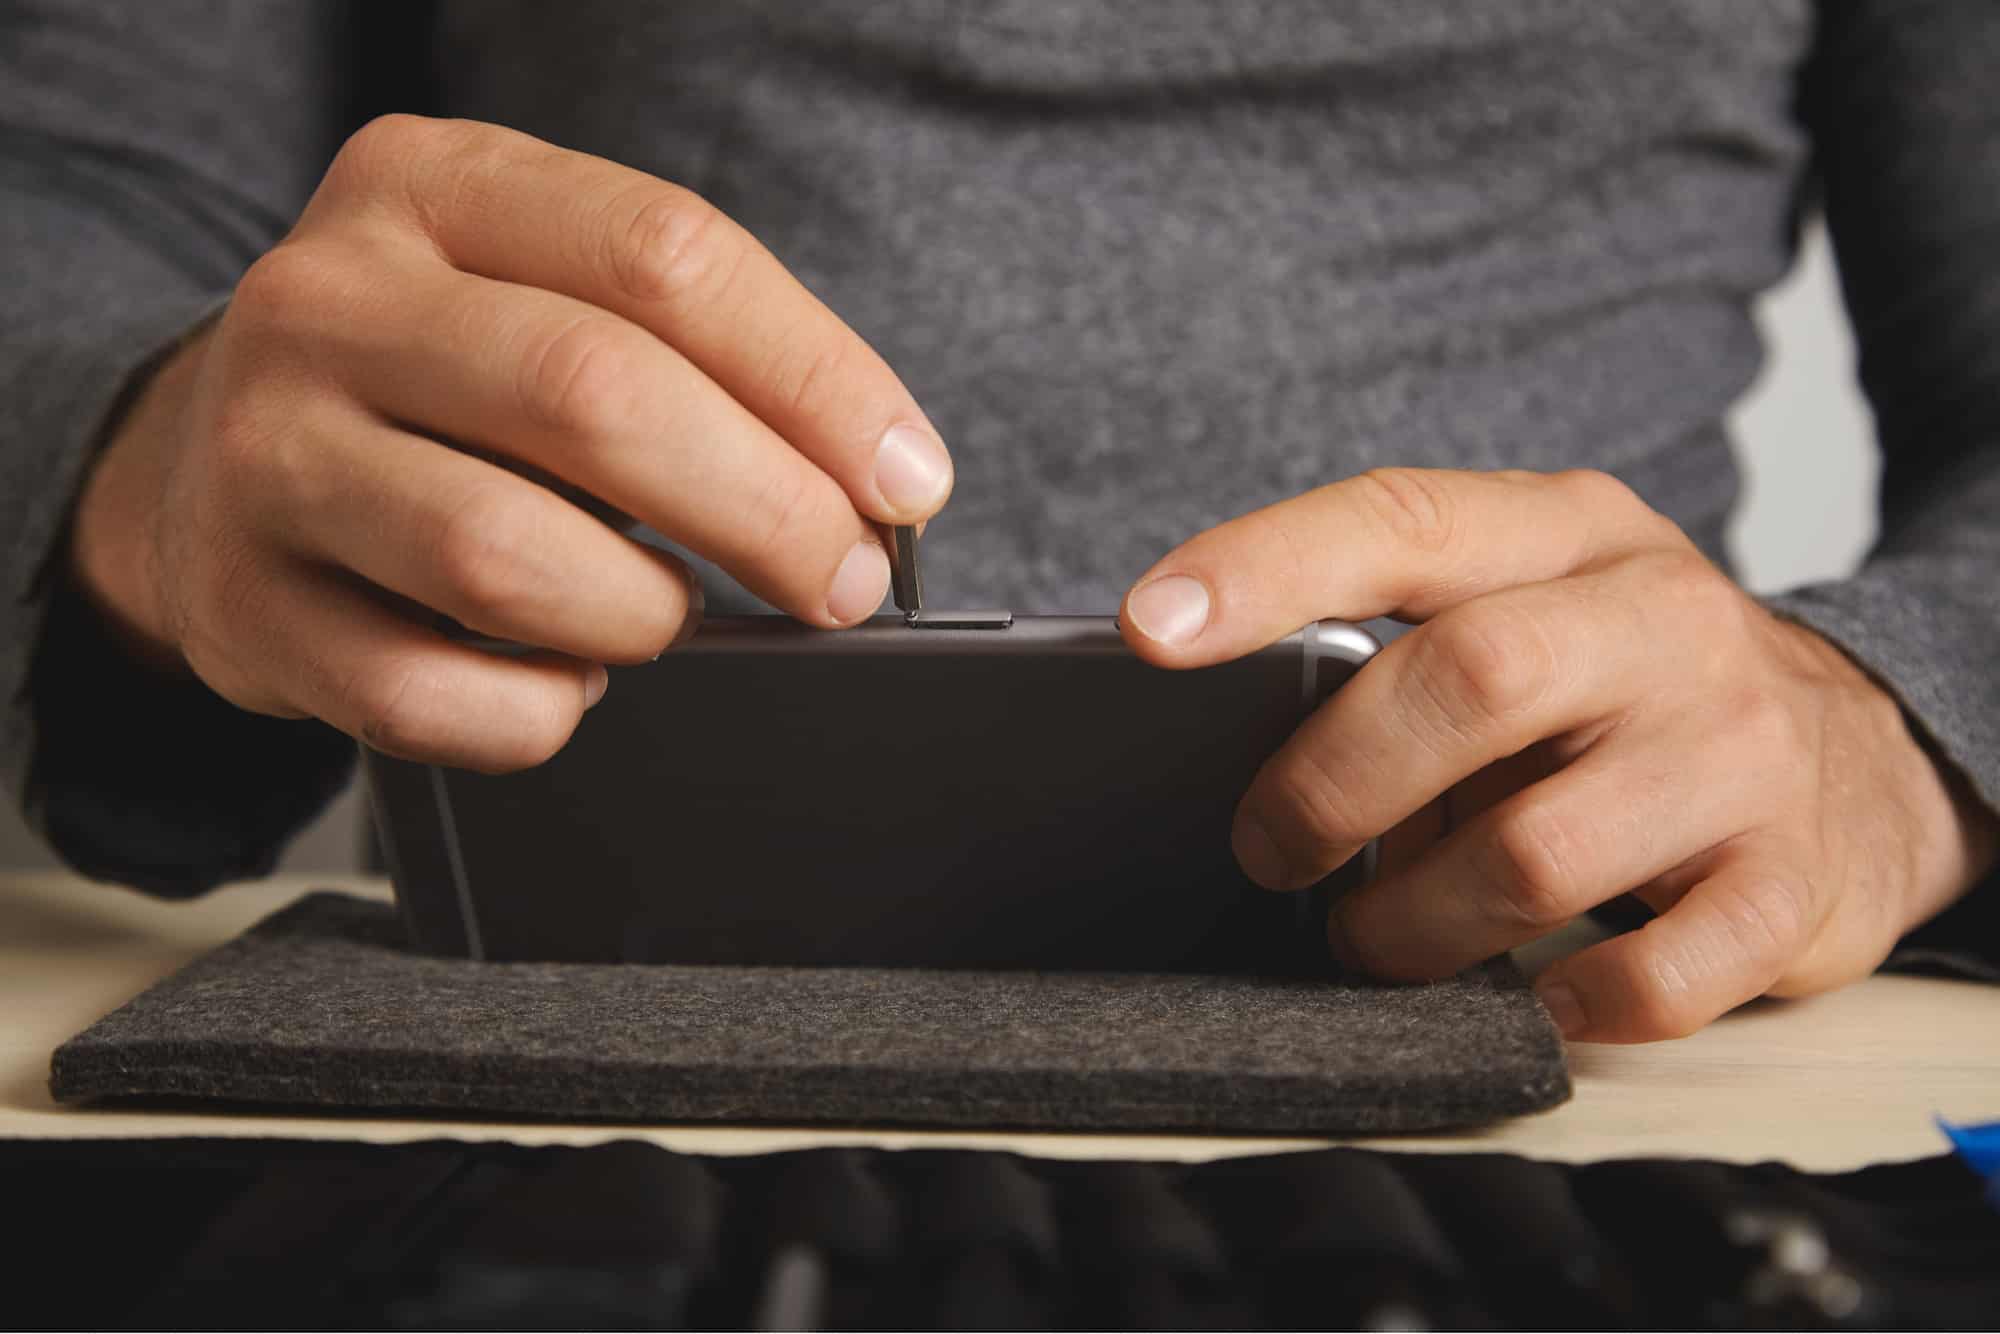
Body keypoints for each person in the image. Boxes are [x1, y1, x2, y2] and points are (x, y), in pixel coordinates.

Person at [2, 1, 1994, 1043]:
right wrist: (147, 451)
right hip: (554, 1010)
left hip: (1580, 1008)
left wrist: (1880, 718)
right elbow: (68, 197)